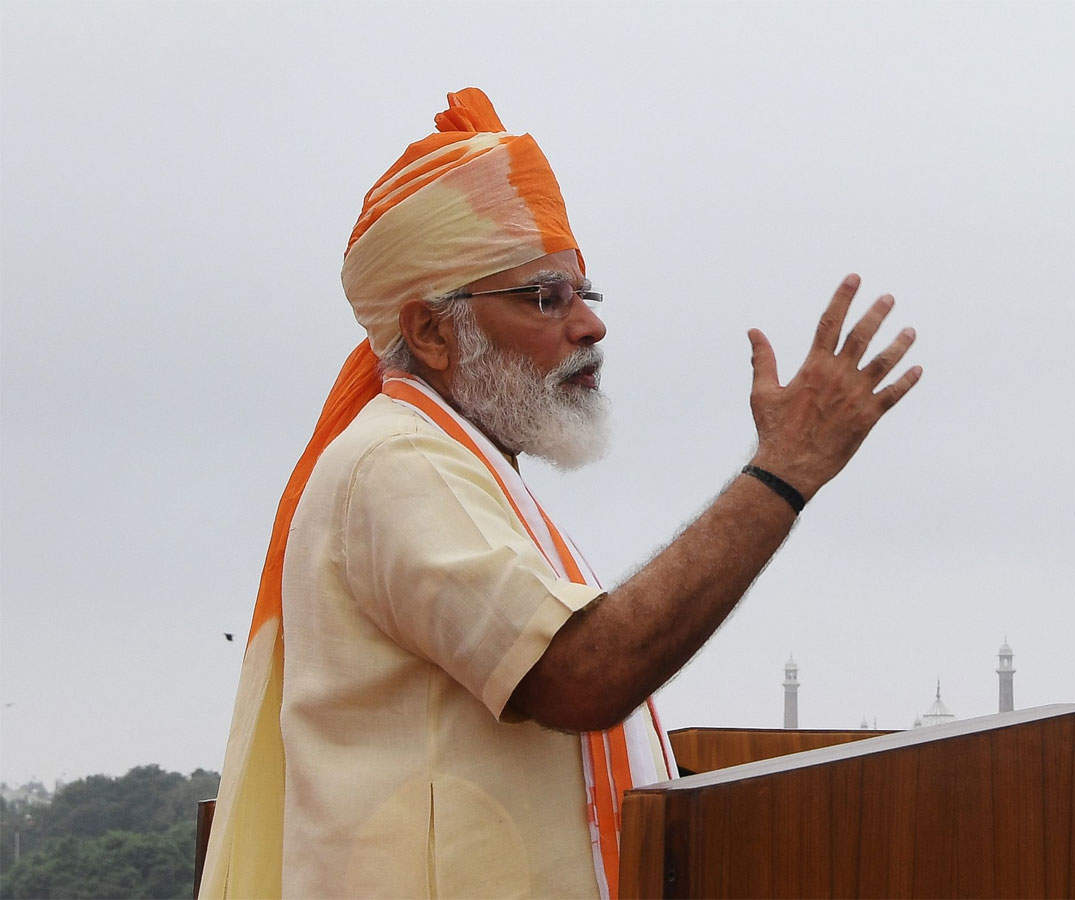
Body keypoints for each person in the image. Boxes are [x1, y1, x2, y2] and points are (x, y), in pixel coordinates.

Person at [199, 88, 920, 900]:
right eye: (546, 298)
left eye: (585, 295)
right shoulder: (398, 462)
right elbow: (583, 674)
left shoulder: (453, 465)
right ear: (432, 331)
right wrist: (782, 473)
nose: (590, 326)